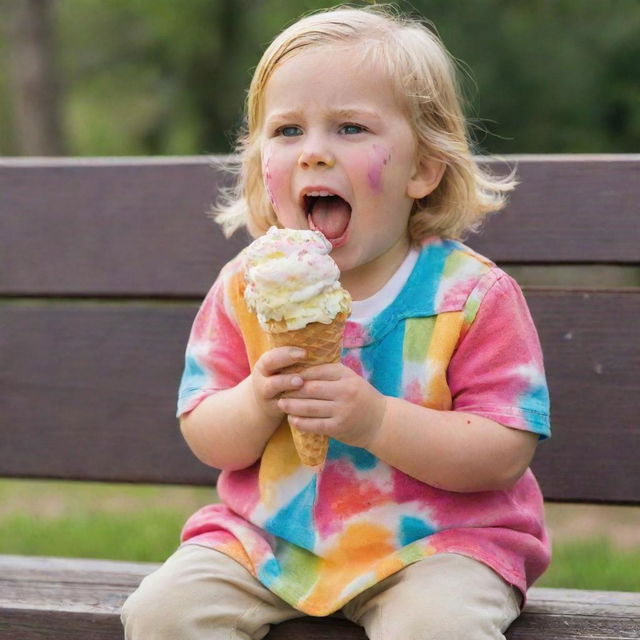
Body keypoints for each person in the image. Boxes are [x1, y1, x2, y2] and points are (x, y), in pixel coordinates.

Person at [121, 5, 551, 639]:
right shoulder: (247, 287)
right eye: (288, 130)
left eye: (350, 128)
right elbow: (207, 431)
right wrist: (257, 401)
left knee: (437, 626)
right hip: (272, 540)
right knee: (161, 614)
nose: (315, 153)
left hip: (436, 545)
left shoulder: (470, 296)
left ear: (423, 168)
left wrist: (375, 420)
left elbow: (503, 451)